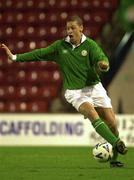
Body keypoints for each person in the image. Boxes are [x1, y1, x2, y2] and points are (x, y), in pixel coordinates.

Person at [1, 15, 127, 167]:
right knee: (91, 113)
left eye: (73, 28)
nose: (69, 31)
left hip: (94, 87)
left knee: (112, 123)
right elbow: (39, 53)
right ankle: (117, 142)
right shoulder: (60, 46)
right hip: (75, 92)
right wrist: (15, 57)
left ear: (81, 28)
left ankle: (114, 160)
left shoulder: (90, 45)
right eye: (67, 28)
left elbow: (102, 59)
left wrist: (103, 65)